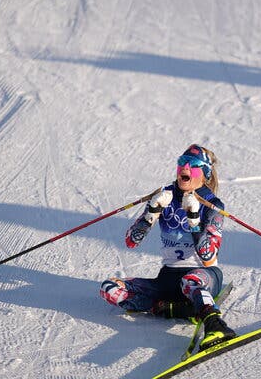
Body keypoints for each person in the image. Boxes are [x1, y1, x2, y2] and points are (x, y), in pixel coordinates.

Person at [100, 144, 236, 350]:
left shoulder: (212, 204)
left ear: (205, 173)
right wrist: (150, 214)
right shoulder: (165, 196)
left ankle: (216, 325)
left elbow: (208, 255)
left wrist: (193, 219)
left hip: (204, 275)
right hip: (168, 278)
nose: (185, 167)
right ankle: (173, 309)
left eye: (194, 165)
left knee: (190, 281)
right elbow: (131, 242)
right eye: (182, 162)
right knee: (109, 289)